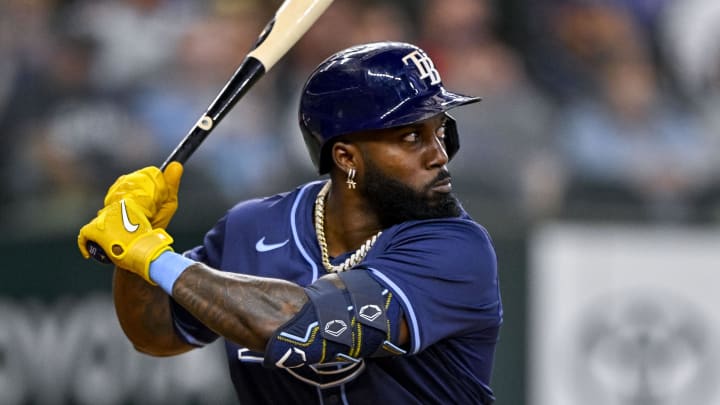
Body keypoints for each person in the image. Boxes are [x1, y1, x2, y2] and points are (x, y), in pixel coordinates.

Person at [77, 42, 503, 404]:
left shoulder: (456, 250)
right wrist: (130, 257)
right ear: (346, 158)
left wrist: (154, 258)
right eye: (411, 137)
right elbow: (155, 336)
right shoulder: (251, 227)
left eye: (440, 131)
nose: (439, 154)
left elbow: (310, 328)